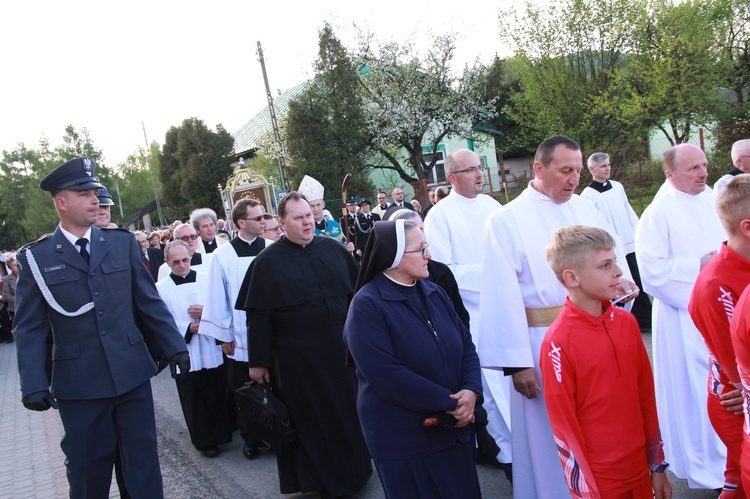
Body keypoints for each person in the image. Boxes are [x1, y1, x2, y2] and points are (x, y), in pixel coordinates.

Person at [13, 156, 189, 497]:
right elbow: (29, 327)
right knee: (87, 470)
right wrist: (32, 382)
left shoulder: (121, 243)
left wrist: (174, 345)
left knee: (142, 467)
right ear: (61, 202)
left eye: (95, 192)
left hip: (131, 374)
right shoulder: (38, 257)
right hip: (79, 385)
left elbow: (148, 301)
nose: (95, 199)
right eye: (84, 193)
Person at [479, 136, 638, 499]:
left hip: (596, 338)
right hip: (540, 344)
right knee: (550, 438)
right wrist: (517, 364)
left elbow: (614, 265)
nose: (574, 179)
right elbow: (500, 295)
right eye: (565, 170)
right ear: (539, 168)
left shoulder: (586, 209)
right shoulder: (505, 220)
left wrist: (621, 286)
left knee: (602, 426)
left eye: (578, 171)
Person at [237, 192, 372, 497]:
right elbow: (257, 317)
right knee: (313, 422)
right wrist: (258, 363)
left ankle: (357, 473)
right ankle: (319, 482)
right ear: (282, 223)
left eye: (309, 216)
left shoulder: (333, 250)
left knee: (349, 413)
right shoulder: (266, 263)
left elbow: (358, 298)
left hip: (343, 352)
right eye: (298, 218)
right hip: (298, 361)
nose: (307, 222)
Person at [344, 219, 482, 498]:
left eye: (426, 247)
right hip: (406, 439)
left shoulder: (433, 291)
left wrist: (471, 390)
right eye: (420, 249)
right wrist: (451, 402)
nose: (428, 255)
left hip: (453, 428)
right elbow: (386, 375)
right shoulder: (367, 306)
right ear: (393, 257)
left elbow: (466, 343)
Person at [541, 225, 671, 498]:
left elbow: (646, 397)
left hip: (639, 471)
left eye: (615, 261)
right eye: (605, 265)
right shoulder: (557, 342)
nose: (619, 272)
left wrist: (657, 466)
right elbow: (563, 425)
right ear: (572, 278)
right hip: (600, 483)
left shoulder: (626, 323)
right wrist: (583, 490)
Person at [635, 143, 727, 490]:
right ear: (670, 174)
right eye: (693, 168)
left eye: (704, 165)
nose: (703, 173)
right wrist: (698, 269)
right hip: (685, 319)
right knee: (698, 391)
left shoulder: (713, 199)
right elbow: (652, 273)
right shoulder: (658, 214)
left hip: (725, 311)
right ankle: (711, 470)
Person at [423, 148, 512, 471]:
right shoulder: (440, 216)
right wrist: (493, 272)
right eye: (470, 170)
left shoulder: (493, 206)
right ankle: (504, 456)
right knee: (490, 390)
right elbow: (444, 274)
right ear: (451, 178)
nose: (478, 174)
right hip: (471, 316)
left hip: (505, 310)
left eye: (479, 167)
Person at [688, 174, 750, 497]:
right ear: (747, 227)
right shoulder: (716, 285)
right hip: (736, 403)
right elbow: (739, 369)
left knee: (737, 483)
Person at [199, 198, 271, 460]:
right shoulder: (222, 255)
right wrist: (224, 336)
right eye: (258, 218)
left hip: (272, 335)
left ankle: (277, 435)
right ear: (241, 222)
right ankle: (251, 439)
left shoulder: (273, 248)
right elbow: (218, 299)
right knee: (244, 393)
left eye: (264, 217)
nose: (264, 222)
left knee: (275, 389)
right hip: (239, 338)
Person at [157, 240, 232, 457]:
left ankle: (224, 433)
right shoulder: (160, 289)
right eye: (176, 262)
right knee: (194, 399)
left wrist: (206, 313)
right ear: (167, 263)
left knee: (217, 391)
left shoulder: (208, 281)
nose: (182, 265)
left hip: (210, 347)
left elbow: (222, 308)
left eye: (185, 260)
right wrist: (188, 327)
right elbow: (161, 323)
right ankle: (205, 441)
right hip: (186, 352)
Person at [580, 152, 652, 328]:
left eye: (608, 165)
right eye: (603, 166)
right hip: (611, 248)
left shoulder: (617, 187)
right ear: (592, 169)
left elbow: (628, 211)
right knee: (623, 280)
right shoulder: (587, 196)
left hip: (628, 241)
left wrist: (636, 232)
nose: (608, 168)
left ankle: (645, 317)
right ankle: (637, 319)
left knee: (637, 279)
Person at [298, 175, 355, 252]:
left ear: (323, 205)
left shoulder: (334, 225)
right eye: (312, 206)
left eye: (318, 205)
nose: (316, 209)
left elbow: (342, 246)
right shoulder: (305, 229)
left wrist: (348, 247)